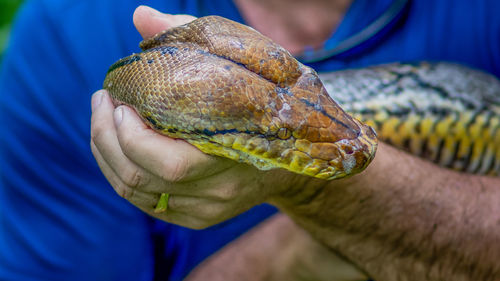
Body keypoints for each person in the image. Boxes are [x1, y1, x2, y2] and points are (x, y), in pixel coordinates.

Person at [1, 0, 499, 280]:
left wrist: (318, 196)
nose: (354, 147)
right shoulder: (64, 38)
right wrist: (284, 261)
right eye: (281, 140)